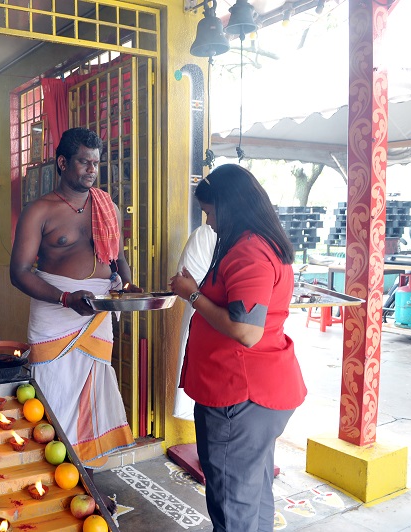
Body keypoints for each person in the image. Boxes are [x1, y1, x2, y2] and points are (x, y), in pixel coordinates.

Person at [169, 164, 307, 532]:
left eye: (211, 212)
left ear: (229, 207)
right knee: (252, 491)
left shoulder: (250, 251)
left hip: (241, 395)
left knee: (232, 502)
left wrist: (192, 294)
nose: (210, 222)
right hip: (245, 390)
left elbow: (246, 331)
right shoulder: (251, 244)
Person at [10, 127, 140, 487]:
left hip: (97, 313)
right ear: (63, 162)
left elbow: (117, 256)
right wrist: (66, 298)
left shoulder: (106, 204)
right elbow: (19, 273)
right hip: (56, 314)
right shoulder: (39, 211)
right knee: (52, 396)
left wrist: (126, 285)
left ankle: (86, 481)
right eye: (84, 162)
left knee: (91, 398)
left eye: (95, 163)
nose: (91, 169)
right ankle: (48, 483)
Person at [172, 223, 216, 420]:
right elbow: (185, 284)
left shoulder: (250, 243)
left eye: (212, 213)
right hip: (203, 316)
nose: (210, 220)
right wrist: (193, 293)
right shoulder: (204, 235)